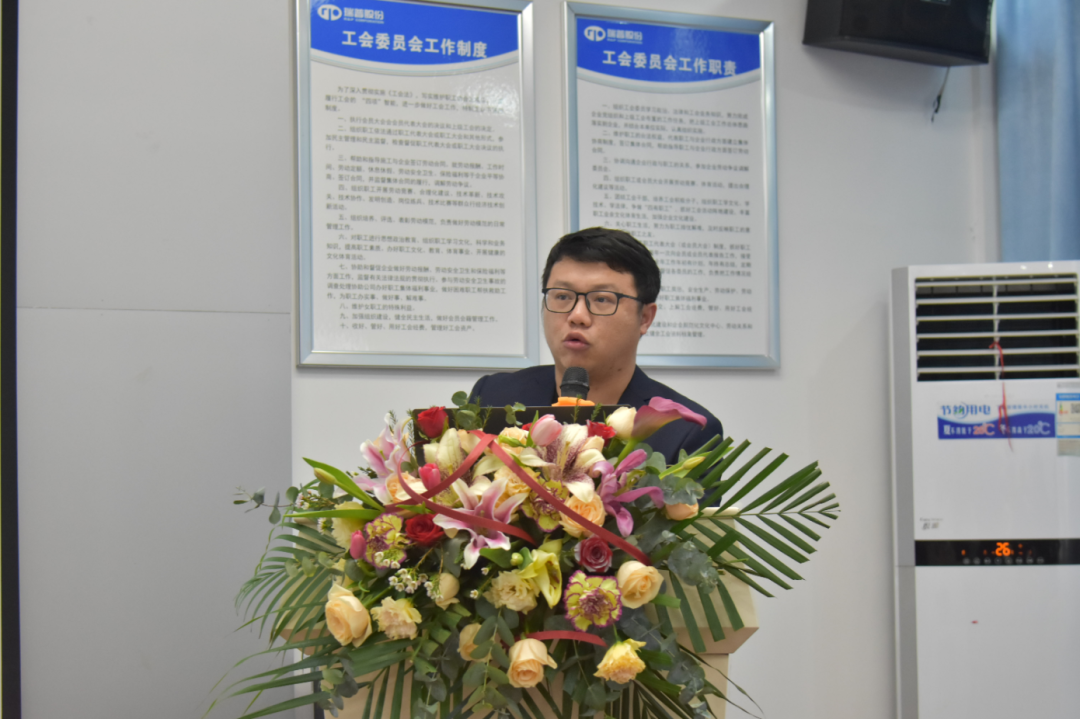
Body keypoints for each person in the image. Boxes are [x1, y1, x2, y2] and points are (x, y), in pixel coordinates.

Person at [469, 227, 723, 463]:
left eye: (602, 299)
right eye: (562, 296)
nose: (577, 315)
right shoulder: (493, 397)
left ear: (645, 318)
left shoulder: (685, 431)